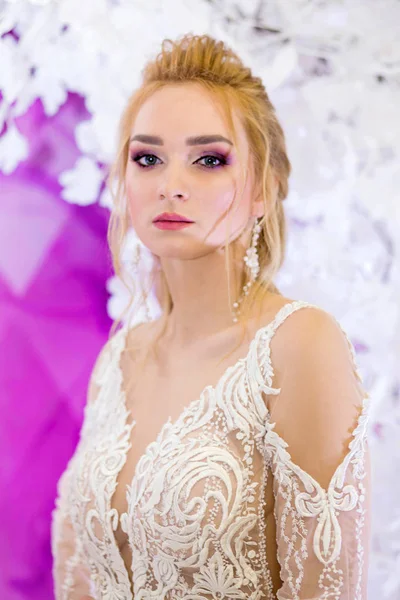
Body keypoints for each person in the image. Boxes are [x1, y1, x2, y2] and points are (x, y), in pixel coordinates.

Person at [51, 33, 371, 600]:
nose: (171, 186)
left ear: (262, 193)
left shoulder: (298, 345)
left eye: (210, 160)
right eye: (147, 158)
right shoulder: (120, 357)